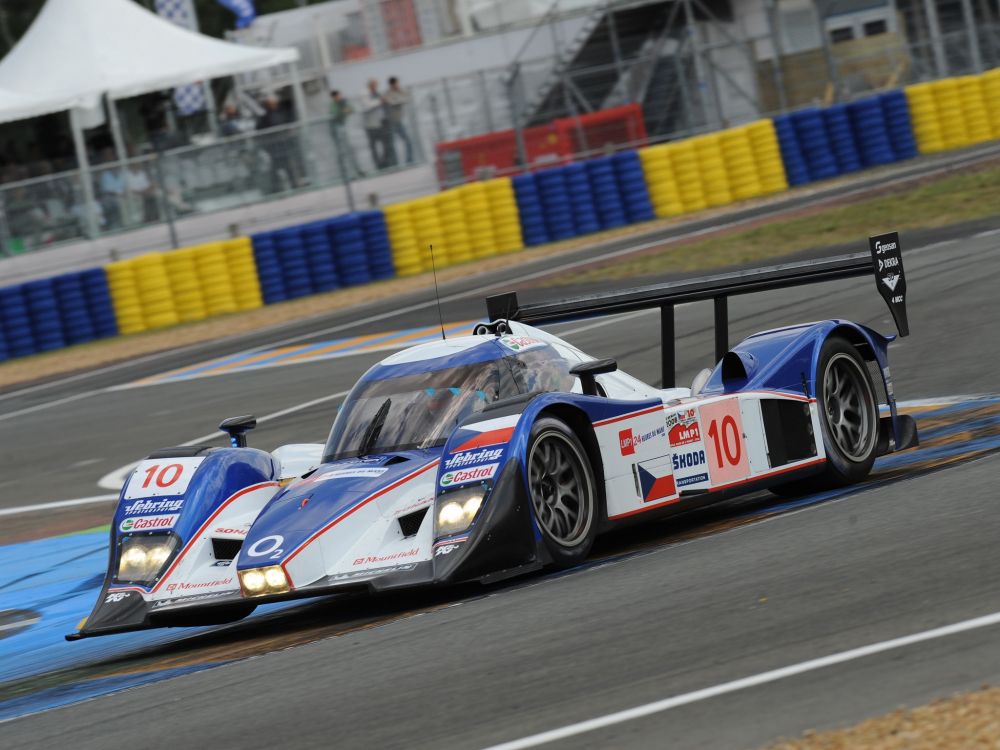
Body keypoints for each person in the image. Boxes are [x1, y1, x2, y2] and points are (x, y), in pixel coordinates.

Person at [360, 79, 395, 170]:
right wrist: (380, 101)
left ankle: (385, 163)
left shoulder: (377, 93)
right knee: (374, 147)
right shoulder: (365, 94)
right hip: (371, 126)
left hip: (381, 123)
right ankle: (379, 166)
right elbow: (367, 105)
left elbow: (384, 103)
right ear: (370, 85)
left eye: (376, 85)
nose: (376, 87)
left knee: (386, 144)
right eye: (374, 85)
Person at [329, 90, 365, 179]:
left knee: (351, 151)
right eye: (337, 96)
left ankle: (357, 170)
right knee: (343, 154)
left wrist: (346, 109)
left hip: (344, 129)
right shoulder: (333, 105)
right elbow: (335, 114)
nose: (339, 97)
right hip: (337, 131)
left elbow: (351, 109)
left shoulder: (343, 102)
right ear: (334, 97)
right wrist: (343, 111)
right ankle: (348, 174)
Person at [384, 76, 414, 164]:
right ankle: (393, 162)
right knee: (391, 144)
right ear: (392, 84)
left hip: (398, 121)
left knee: (407, 141)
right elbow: (392, 102)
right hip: (391, 122)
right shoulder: (388, 93)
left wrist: (399, 96)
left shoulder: (400, 91)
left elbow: (408, 98)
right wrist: (400, 99)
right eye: (397, 83)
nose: (398, 85)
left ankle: (409, 160)